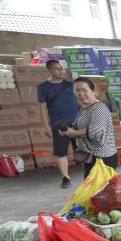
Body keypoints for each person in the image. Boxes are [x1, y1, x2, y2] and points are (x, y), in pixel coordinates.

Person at [60, 77, 117, 176]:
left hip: (103, 158)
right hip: (91, 157)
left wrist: (73, 133)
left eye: (84, 90)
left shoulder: (99, 109)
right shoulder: (84, 109)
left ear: (93, 91)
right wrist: (67, 130)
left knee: (98, 190)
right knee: (93, 190)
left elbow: (96, 132)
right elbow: (78, 127)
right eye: (77, 90)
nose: (81, 94)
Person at [37, 60, 79, 188]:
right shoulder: (43, 87)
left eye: (62, 68)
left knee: (83, 150)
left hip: (77, 122)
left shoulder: (71, 85)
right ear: (49, 70)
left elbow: (80, 102)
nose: (61, 71)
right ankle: (65, 178)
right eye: (57, 69)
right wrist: (46, 126)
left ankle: (91, 175)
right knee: (61, 152)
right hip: (58, 124)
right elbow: (43, 108)